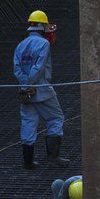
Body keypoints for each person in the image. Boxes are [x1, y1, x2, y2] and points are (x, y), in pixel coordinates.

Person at [13, 10, 66, 169]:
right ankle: (53, 158)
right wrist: (31, 86)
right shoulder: (44, 44)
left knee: (28, 123)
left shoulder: (20, 45)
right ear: (42, 26)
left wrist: (25, 87)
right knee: (56, 118)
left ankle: (28, 162)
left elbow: (17, 69)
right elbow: (38, 67)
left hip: (25, 92)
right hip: (42, 91)